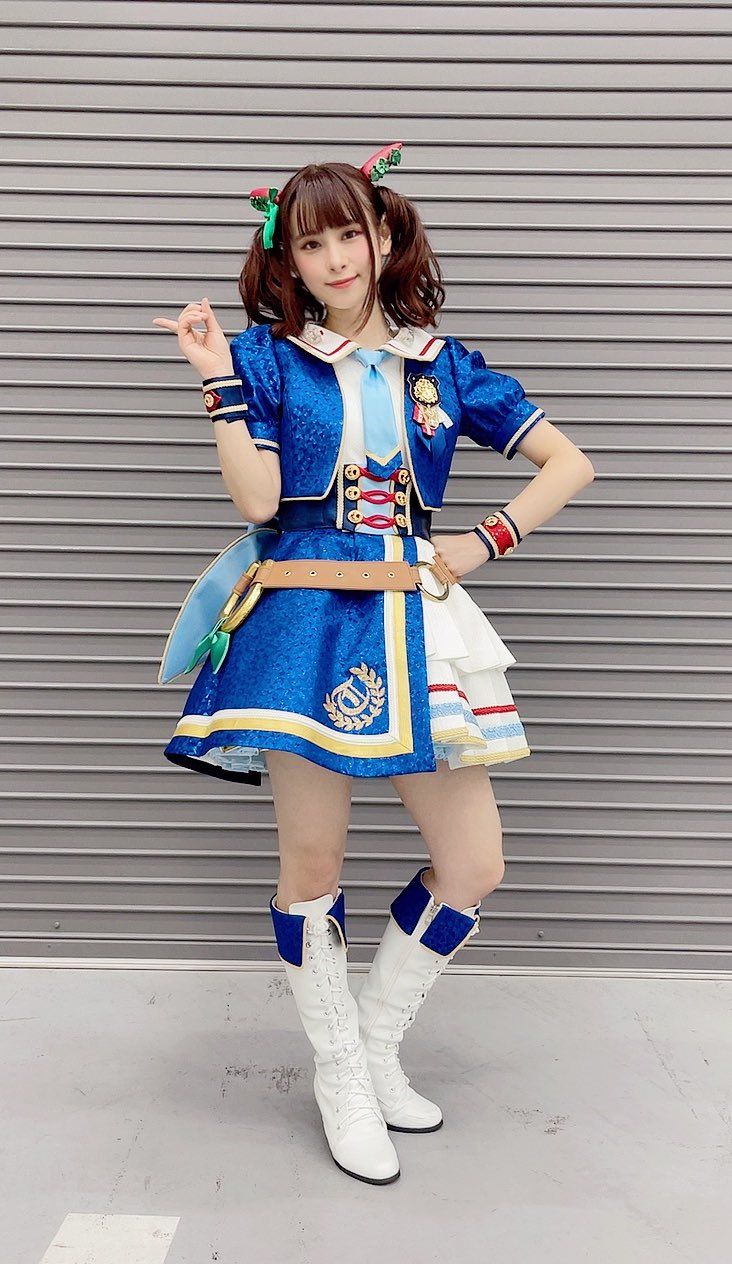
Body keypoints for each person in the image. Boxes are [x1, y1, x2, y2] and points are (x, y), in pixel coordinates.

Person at [152, 142, 595, 1186]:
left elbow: (568, 462)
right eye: (312, 245)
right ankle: (342, 1073)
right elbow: (260, 502)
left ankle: (374, 1043)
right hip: (304, 623)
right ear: (289, 262)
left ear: (385, 235)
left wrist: (483, 540)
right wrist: (217, 380)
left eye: (349, 233)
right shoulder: (266, 360)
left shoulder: (445, 364)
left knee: (475, 863)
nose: (336, 259)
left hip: (415, 622)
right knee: (313, 867)